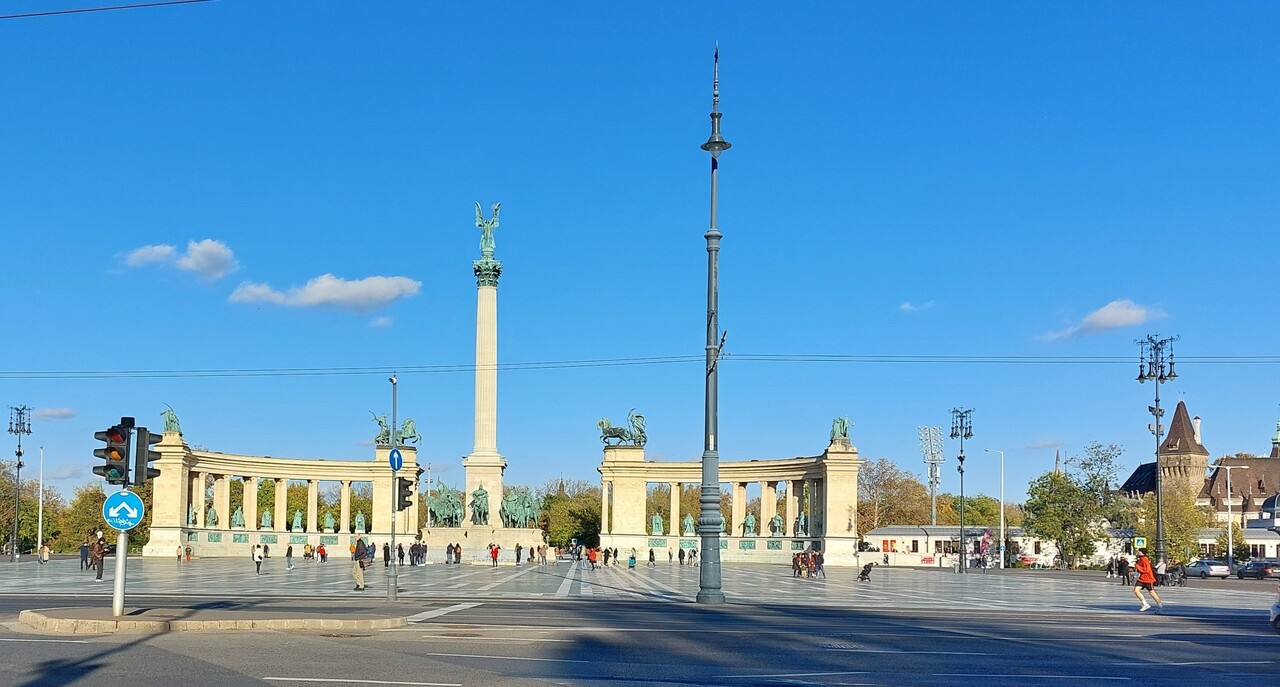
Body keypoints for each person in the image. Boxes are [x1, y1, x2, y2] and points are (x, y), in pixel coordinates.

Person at [1132, 548, 1163, 613]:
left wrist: (1137, 566)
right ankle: (1145, 604)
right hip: (1142, 578)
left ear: (1142, 552)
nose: (1137, 552)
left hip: (1148, 579)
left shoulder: (1144, 559)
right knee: (1136, 590)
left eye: (1139, 551)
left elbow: (1146, 569)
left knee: (1152, 593)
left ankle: (1160, 607)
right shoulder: (1140, 559)